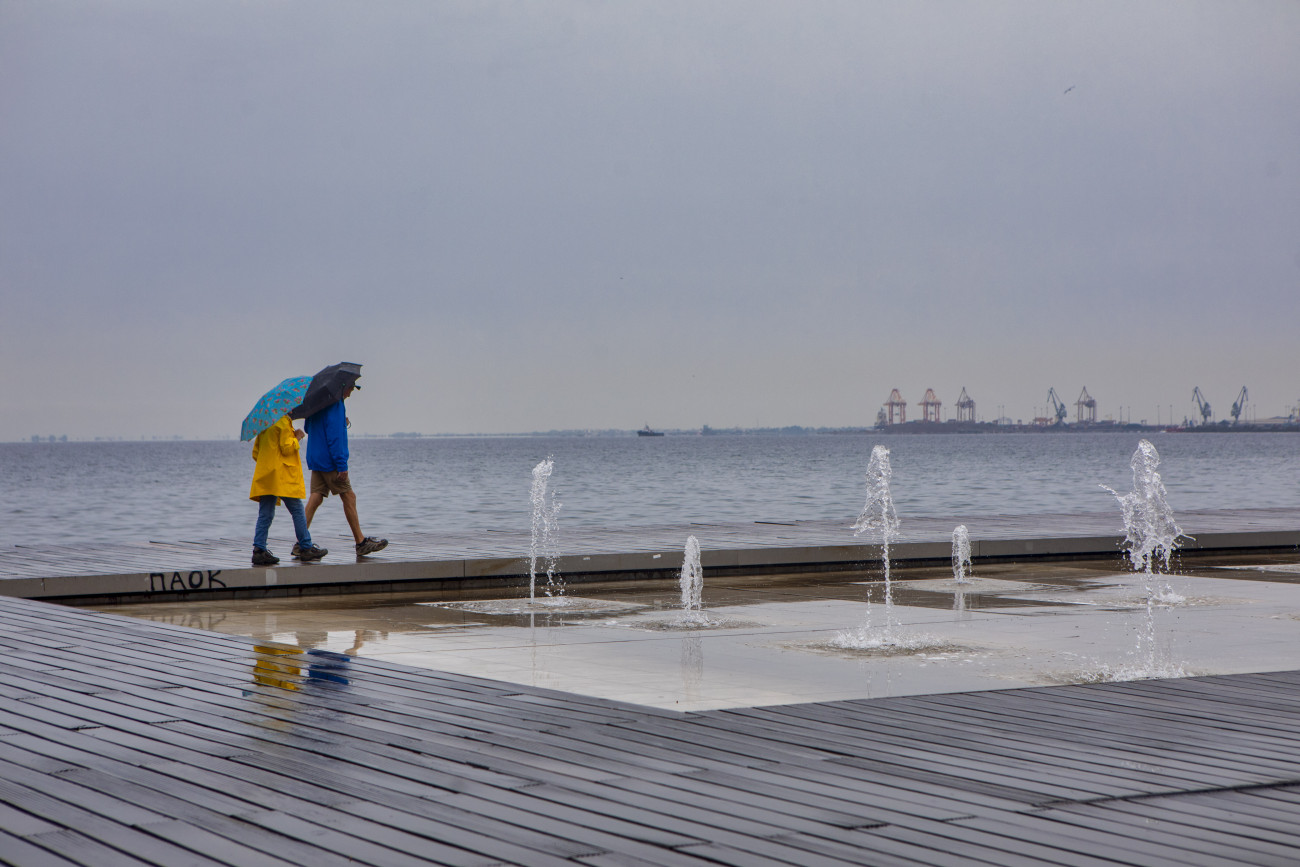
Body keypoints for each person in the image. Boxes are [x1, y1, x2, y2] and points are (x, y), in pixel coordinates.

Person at [302, 382, 388, 556]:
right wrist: (342, 465)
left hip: (316, 458)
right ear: (342, 387)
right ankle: (361, 542)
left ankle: (301, 543)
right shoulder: (336, 404)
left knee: (316, 498)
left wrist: (340, 421)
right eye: (350, 388)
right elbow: (335, 438)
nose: (350, 393)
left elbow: (308, 427)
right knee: (349, 496)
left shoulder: (318, 403)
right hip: (330, 461)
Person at [250, 415, 327, 565]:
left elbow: (256, 453)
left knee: (265, 514)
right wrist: (296, 437)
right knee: (297, 509)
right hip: (282, 476)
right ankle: (306, 547)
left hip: (266, 475)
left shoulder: (265, 422)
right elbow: (286, 448)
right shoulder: (283, 422)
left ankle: (259, 550)